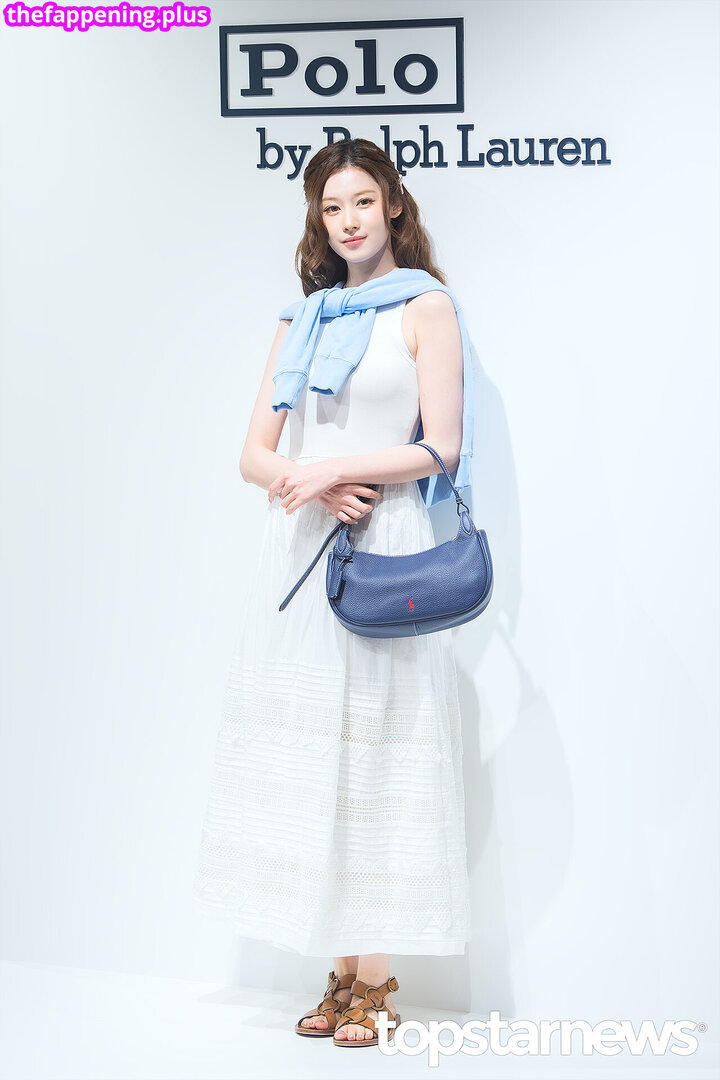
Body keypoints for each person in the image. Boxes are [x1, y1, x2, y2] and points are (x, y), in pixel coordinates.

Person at [193, 137, 474, 1048]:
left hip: (385, 542)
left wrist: (334, 471)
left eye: (362, 201)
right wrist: (309, 481)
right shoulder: (303, 317)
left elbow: (441, 447)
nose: (348, 221)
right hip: (303, 546)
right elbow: (254, 454)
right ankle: (343, 973)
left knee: (379, 751)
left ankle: (375, 979)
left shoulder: (427, 307)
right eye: (330, 208)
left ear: (392, 203)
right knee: (320, 752)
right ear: (318, 220)